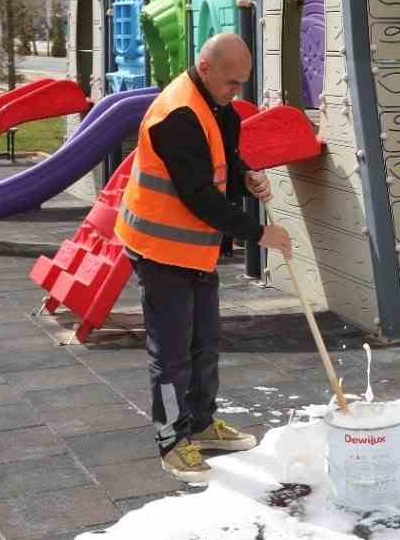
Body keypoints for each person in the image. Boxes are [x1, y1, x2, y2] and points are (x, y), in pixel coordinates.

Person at [115, 32, 293, 483]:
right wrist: (258, 232)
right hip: (160, 247)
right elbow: (197, 195)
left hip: (194, 248)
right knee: (171, 352)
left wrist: (245, 177)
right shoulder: (176, 114)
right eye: (232, 83)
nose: (237, 92)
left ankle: (200, 422)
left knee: (205, 340)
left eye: (242, 83)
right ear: (207, 68)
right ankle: (172, 441)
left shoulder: (215, 105)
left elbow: (223, 159)